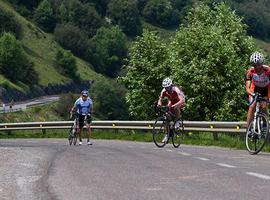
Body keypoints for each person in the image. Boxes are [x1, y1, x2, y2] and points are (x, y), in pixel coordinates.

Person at [245, 52, 270, 128]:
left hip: (266, 89)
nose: (256, 67)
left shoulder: (268, 71)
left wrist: (267, 98)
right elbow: (248, 89)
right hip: (254, 89)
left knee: (263, 106)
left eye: (258, 64)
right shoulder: (250, 72)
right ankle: (248, 129)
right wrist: (252, 95)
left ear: (262, 63)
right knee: (252, 106)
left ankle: (265, 125)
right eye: (254, 65)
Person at [157, 77, 186, 143]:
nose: (166, 89)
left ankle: (178, 121)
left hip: (181, 101)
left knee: (176, 107)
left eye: (167, 87)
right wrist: (159, 104)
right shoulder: (164, 91)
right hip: (172, 102)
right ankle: (167, 134)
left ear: (170, 86)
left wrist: (175, 105)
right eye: (165, 87)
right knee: (167, 115)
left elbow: (182, 100)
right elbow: (160, 99)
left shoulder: (176, 89)